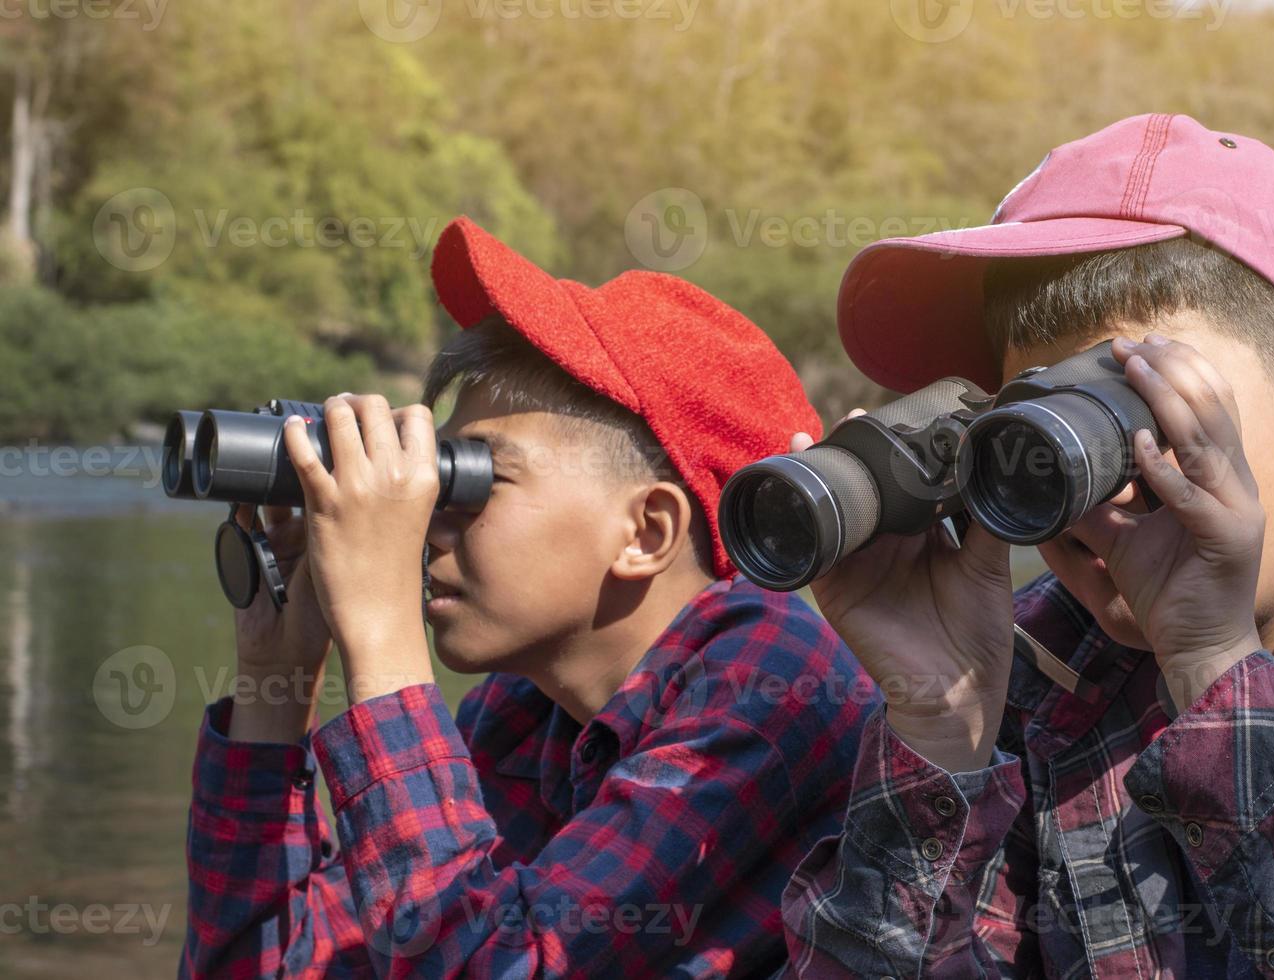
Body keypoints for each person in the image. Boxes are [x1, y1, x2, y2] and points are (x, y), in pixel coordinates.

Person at [781, 113, 1274, 977]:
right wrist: (939, 726)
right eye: (1038, 429)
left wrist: (1216, 665)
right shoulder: (1043, 657)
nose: (1100, 484)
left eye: (1138, 414)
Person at [180, 216, 873, 977]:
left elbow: (491, 964)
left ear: (646, 531)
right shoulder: (524, 717)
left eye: (474, 479)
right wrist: (273, 683)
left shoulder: (769, 679)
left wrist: (379, 633)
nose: (425, 522)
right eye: (439, 475)